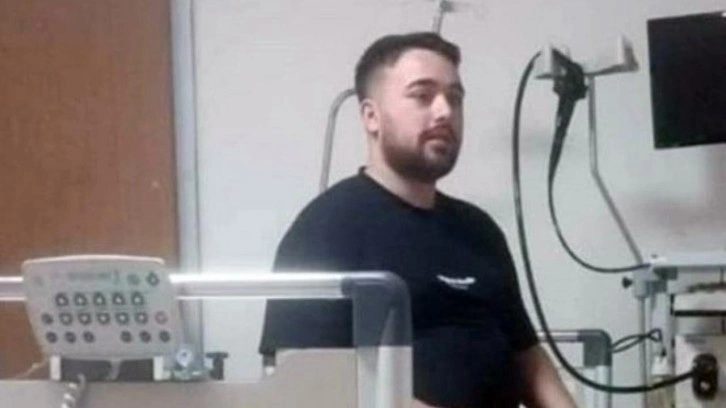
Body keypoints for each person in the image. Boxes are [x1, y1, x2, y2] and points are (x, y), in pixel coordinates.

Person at [260, 32, 576, 408]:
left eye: (454, 98)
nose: (445, 111)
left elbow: (529, 357)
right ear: (371, 117)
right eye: (422, 96)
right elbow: (307, 383)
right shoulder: (324, 229)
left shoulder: (479, 230)